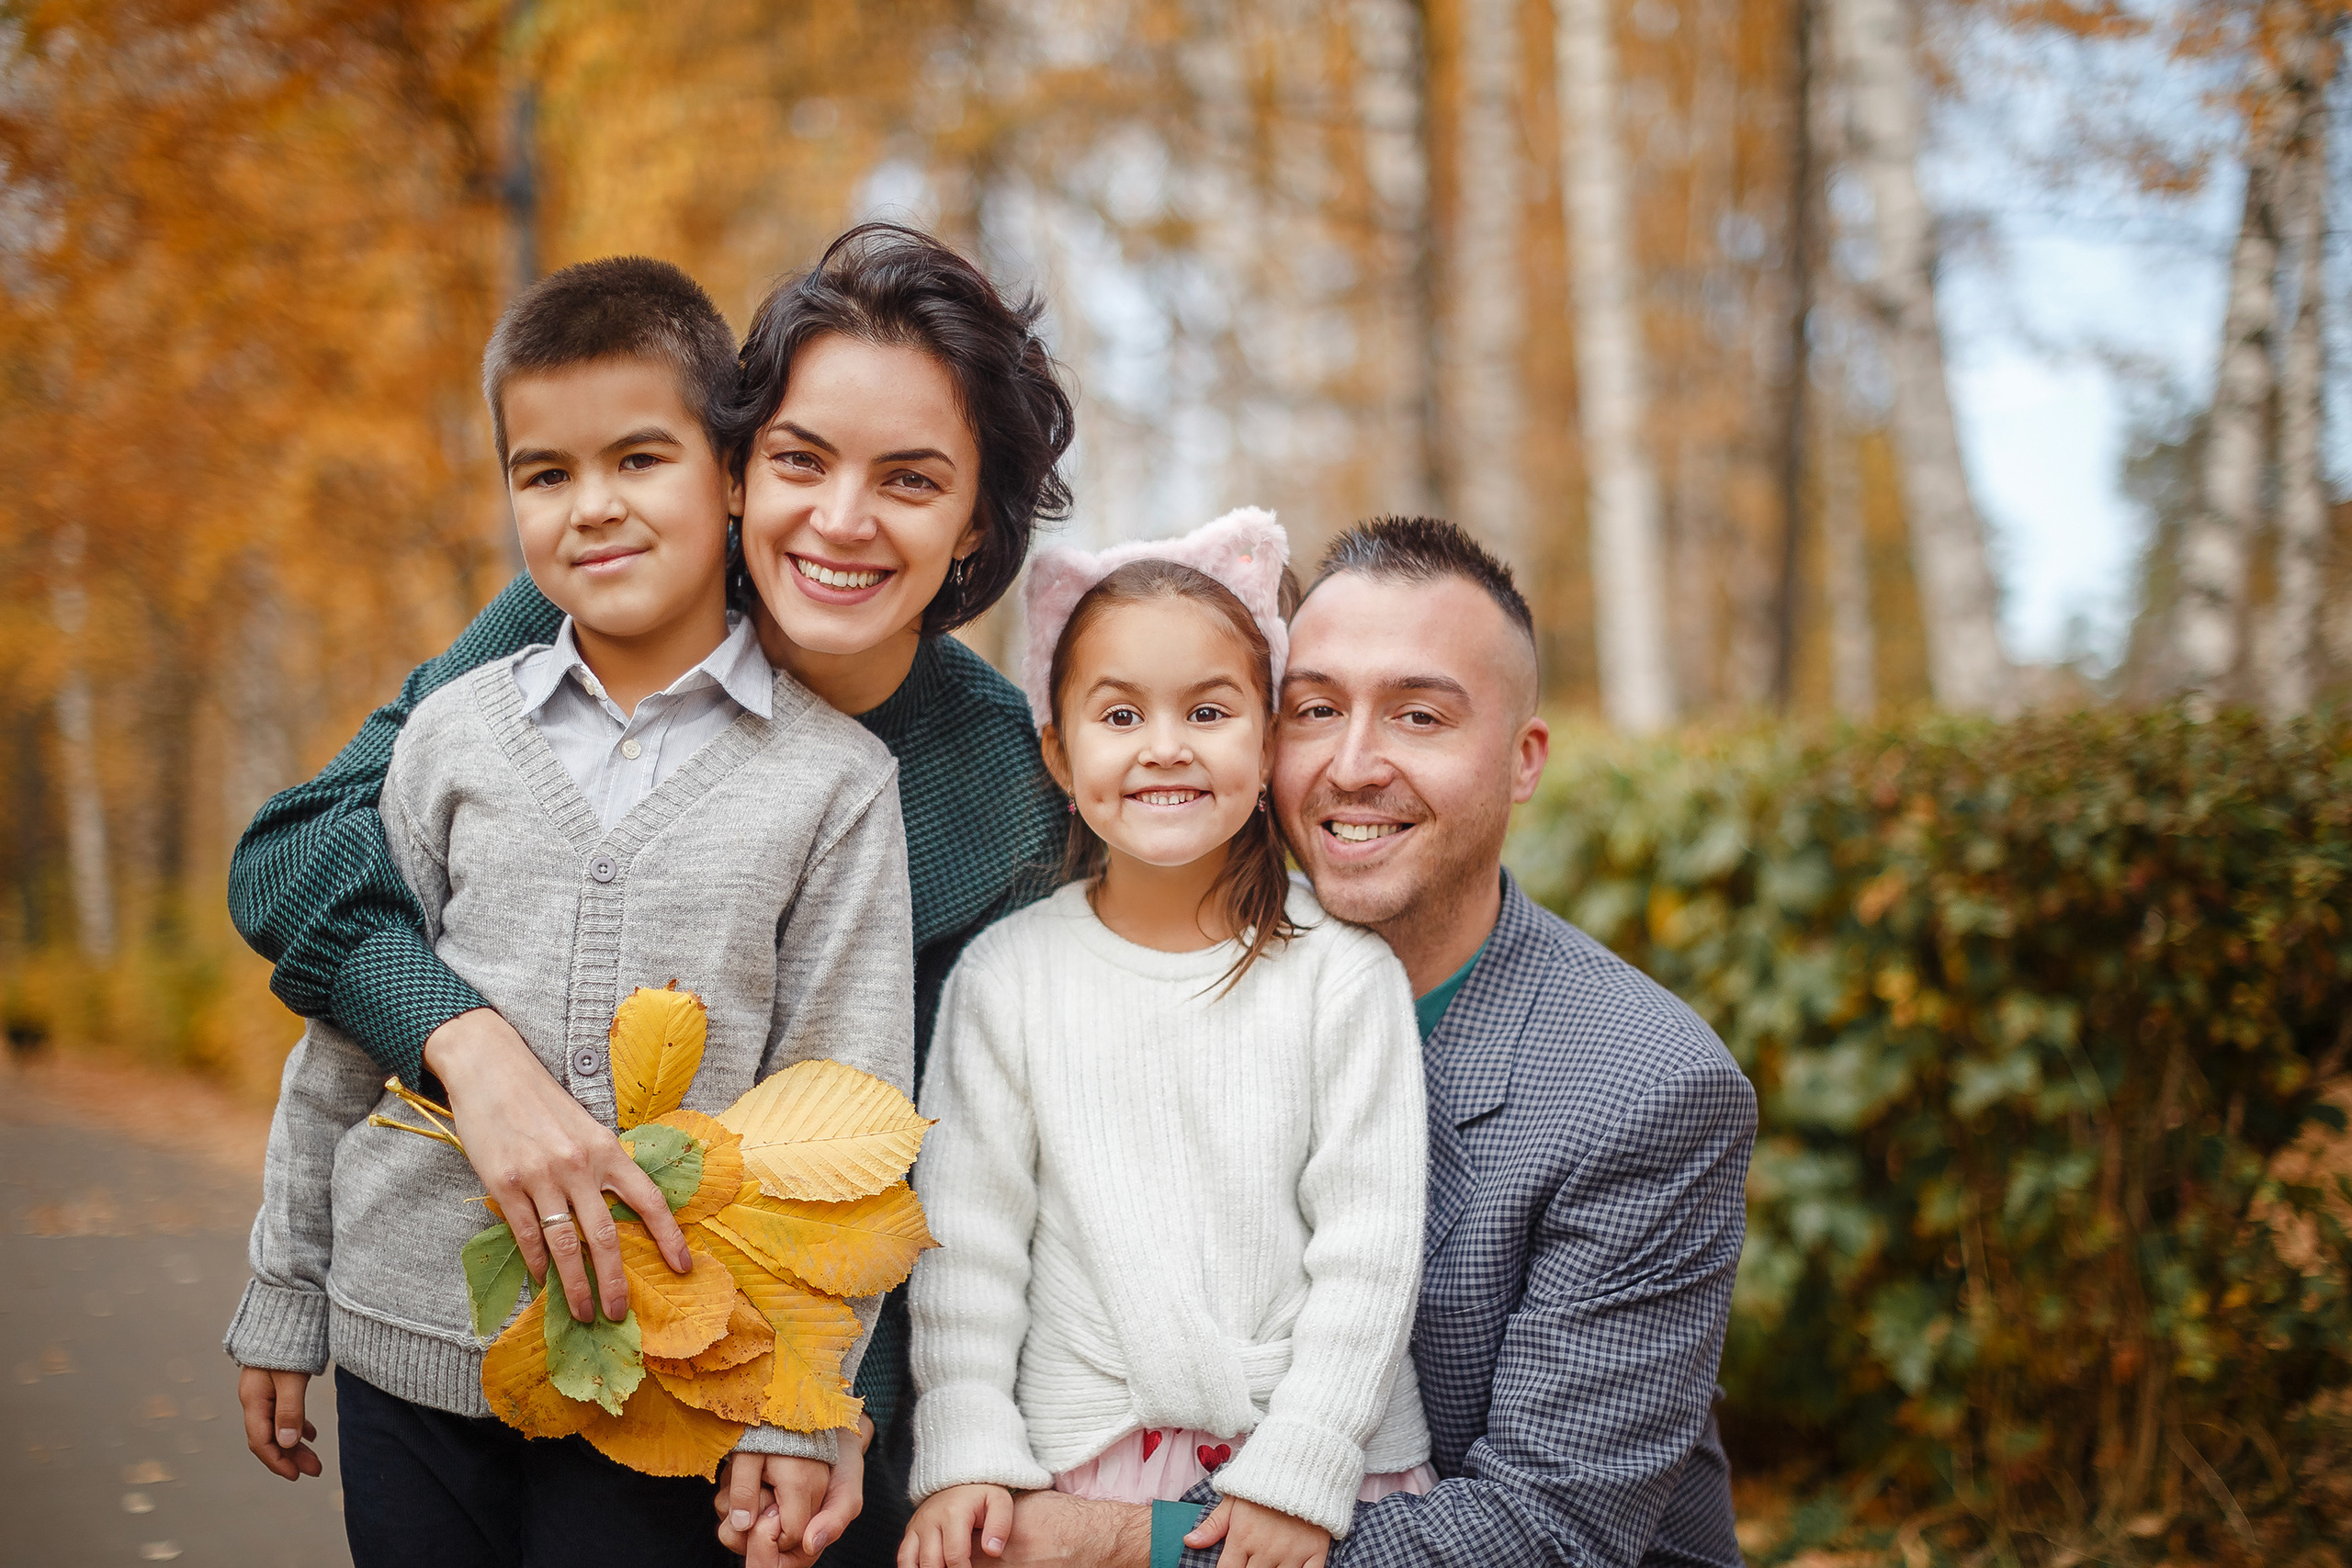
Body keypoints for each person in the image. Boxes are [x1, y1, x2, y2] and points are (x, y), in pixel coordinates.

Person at [222, 224, 1077, 1566]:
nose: (842, 520)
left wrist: (814, 1405)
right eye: (803, 459)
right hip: (453, 1346)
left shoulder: (1006, 792)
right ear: (740, 471)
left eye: (911, 480)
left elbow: (919, 1142)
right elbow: (298, 851)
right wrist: (469, 1046)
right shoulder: (599, 602)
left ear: (979, 518)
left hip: (773, 1377)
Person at [990, 516, 1758, 1568]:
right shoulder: (1173, 976)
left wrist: (1123, 1546)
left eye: (1419, 716)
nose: (1353, 766)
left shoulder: (1645, 1089)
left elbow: (1547, 1534)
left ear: (1523, 759)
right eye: (1314, 710)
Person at [899, 513, 1436, 1568]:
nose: (1165, 746)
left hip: (1310, 1461)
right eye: (1118, 714)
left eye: (1208, 708)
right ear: (1056, 748)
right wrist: (967, 1449)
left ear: (1269, 738)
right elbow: (968, 1246)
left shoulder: (1340, 977)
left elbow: (1369, 1252)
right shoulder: (1007, 980)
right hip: (1077, 1460)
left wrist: (1302, 1464)